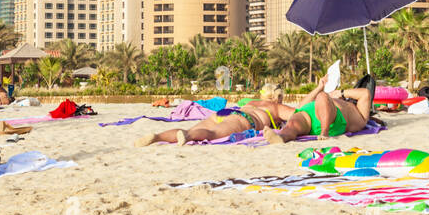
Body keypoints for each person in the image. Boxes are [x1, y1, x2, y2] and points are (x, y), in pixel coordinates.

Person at [136, 97, 292, 146]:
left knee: (194, 128)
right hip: (244, 119)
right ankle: (188, 136)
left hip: (227, 112)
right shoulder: (276, 108)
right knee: (212, 133)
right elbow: (300, 113)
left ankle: (157, 137)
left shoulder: (253, 101)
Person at [262, 78, 373, 144]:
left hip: (330, 119)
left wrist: (342, 93)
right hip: (308, 111)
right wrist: (320, 87)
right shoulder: (344, 103)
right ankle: (281, 137)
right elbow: (301, 106)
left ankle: (324, 132)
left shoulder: (358, 115)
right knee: (292, 124)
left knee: (322, 97)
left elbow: (365, 93)